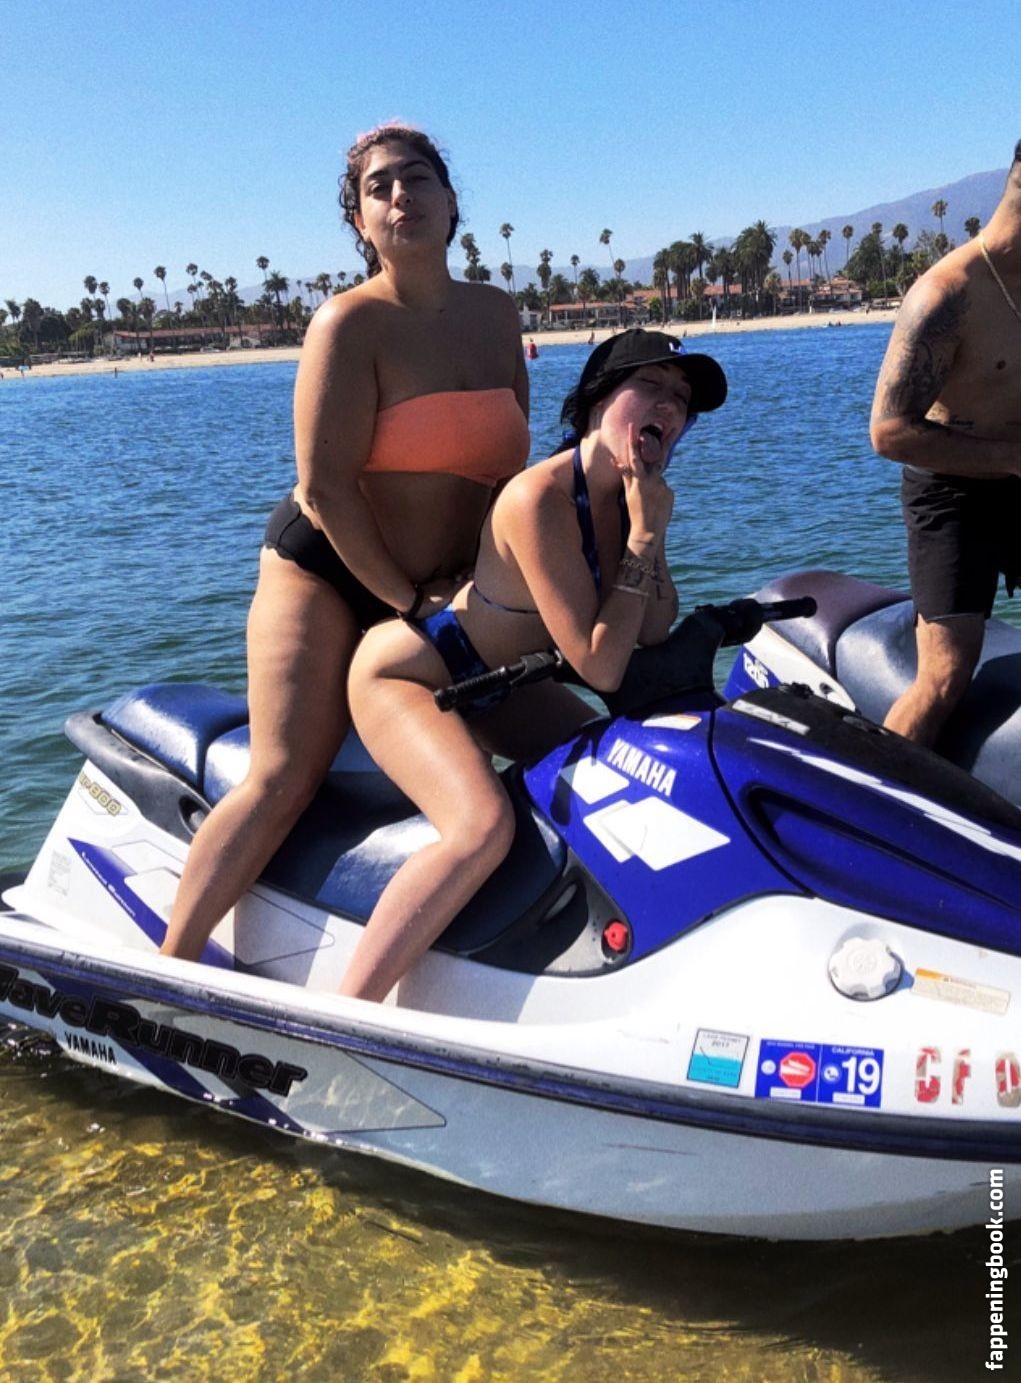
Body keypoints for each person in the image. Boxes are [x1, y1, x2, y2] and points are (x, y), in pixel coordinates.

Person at [161, 123, 529, 960]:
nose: (400, 195)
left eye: (417, 177)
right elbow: (325, 489)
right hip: (330, 570)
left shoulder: (495, 314)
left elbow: (506, 475)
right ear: (360, 222)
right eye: (378, 186)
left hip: (440, 582)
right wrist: (407, 602)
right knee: (283, 774)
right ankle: (168, 973)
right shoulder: (347, 324)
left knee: (548, 728)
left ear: (450, 201)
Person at [342, 329, 727, 1001]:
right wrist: (642, 539)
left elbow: (653, 626)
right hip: (415, 676)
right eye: (651, 387)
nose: (670, 407)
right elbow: (601, 667)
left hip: (503, 686)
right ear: (597, 402)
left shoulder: (631, 497)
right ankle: (351, 1010)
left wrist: (650, 528)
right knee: (481, 828)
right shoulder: (538, 499)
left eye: (682, 400)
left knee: (629, 770)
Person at [871, 139, 1021, 745]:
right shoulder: (947, 294)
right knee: (944, 675)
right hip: (954, 494)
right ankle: (874, 792)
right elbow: (888, 431)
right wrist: (1010, 457)